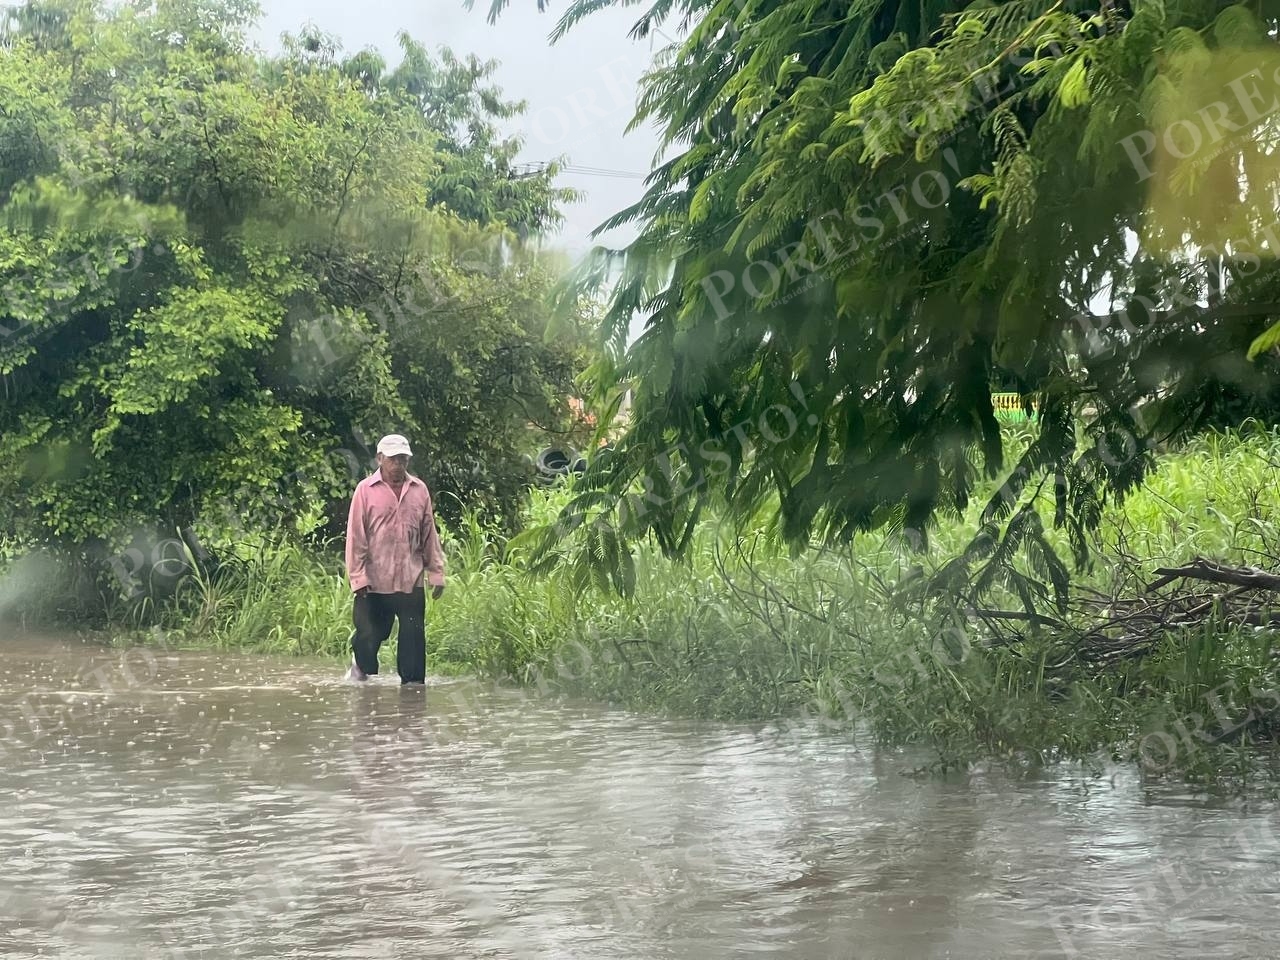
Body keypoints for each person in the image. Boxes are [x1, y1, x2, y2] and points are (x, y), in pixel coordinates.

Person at [343, 433, 446, 684]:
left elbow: (428, 534)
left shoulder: (419, 490)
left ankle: (412, 694)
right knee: (370, 635)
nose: (398, 464)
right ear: (380, 459)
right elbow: (356, 537)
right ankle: (360, 668)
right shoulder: (365, 491)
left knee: (413, 641)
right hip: (375, 581)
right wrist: (358, 577)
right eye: (393, 459)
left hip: (411, 579)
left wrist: (436, 572)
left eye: (403, 459)